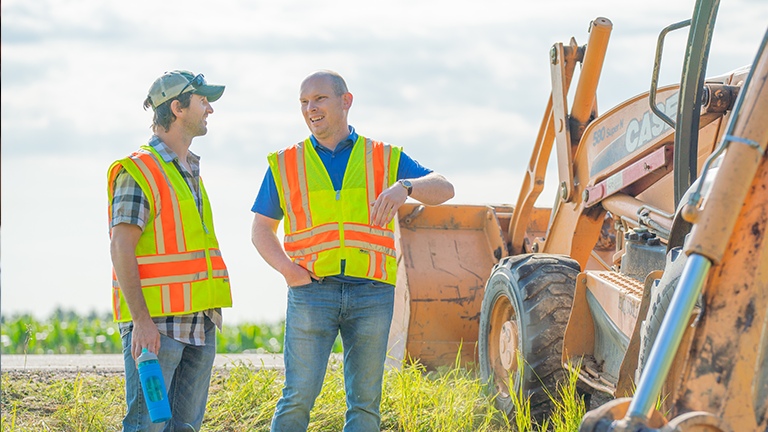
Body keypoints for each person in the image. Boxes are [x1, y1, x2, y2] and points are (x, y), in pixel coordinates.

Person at [251, 70, 455, 431]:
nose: (310, 108)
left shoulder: (384, 156)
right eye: (303, 102)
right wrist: (288, 271)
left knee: (364, 406)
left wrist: (405, 186)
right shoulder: (286, 163)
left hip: (372, 294)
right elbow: (261, 230)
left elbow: (444, 187)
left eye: (319, 99)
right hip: (311, 292)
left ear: (346, 101)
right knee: (297, 397)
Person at [108, 70, 232, 431]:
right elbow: (121, 246)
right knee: (146, 426)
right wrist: (142, 324)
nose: (209, 108)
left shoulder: (189, 169)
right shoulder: (140, 170)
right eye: (202, 100)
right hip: (158, 329)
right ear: (177, 108)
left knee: (185, 428)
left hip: (199, 324)